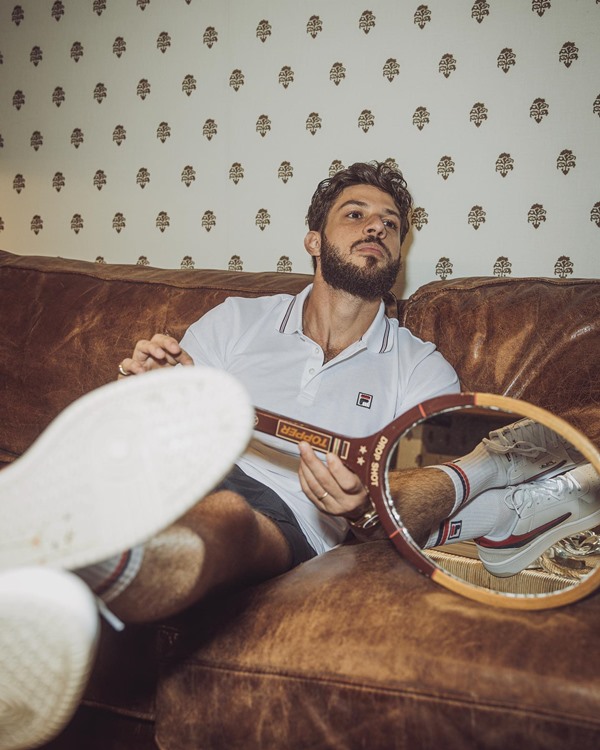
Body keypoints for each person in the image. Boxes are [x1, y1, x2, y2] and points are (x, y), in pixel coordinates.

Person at [1, 161, 599, 750]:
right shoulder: (237, 320)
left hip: (292, 515)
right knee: (150, 470)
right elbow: (171, 420)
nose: (376, 228)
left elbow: (420, 478)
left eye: (391, 224)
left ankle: (87, 565)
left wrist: (368, 505)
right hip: (187, 465)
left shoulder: (419, 367)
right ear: (314, 239)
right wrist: (160, 387)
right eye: (356, 214)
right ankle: (56, 560)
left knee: (227, 520)